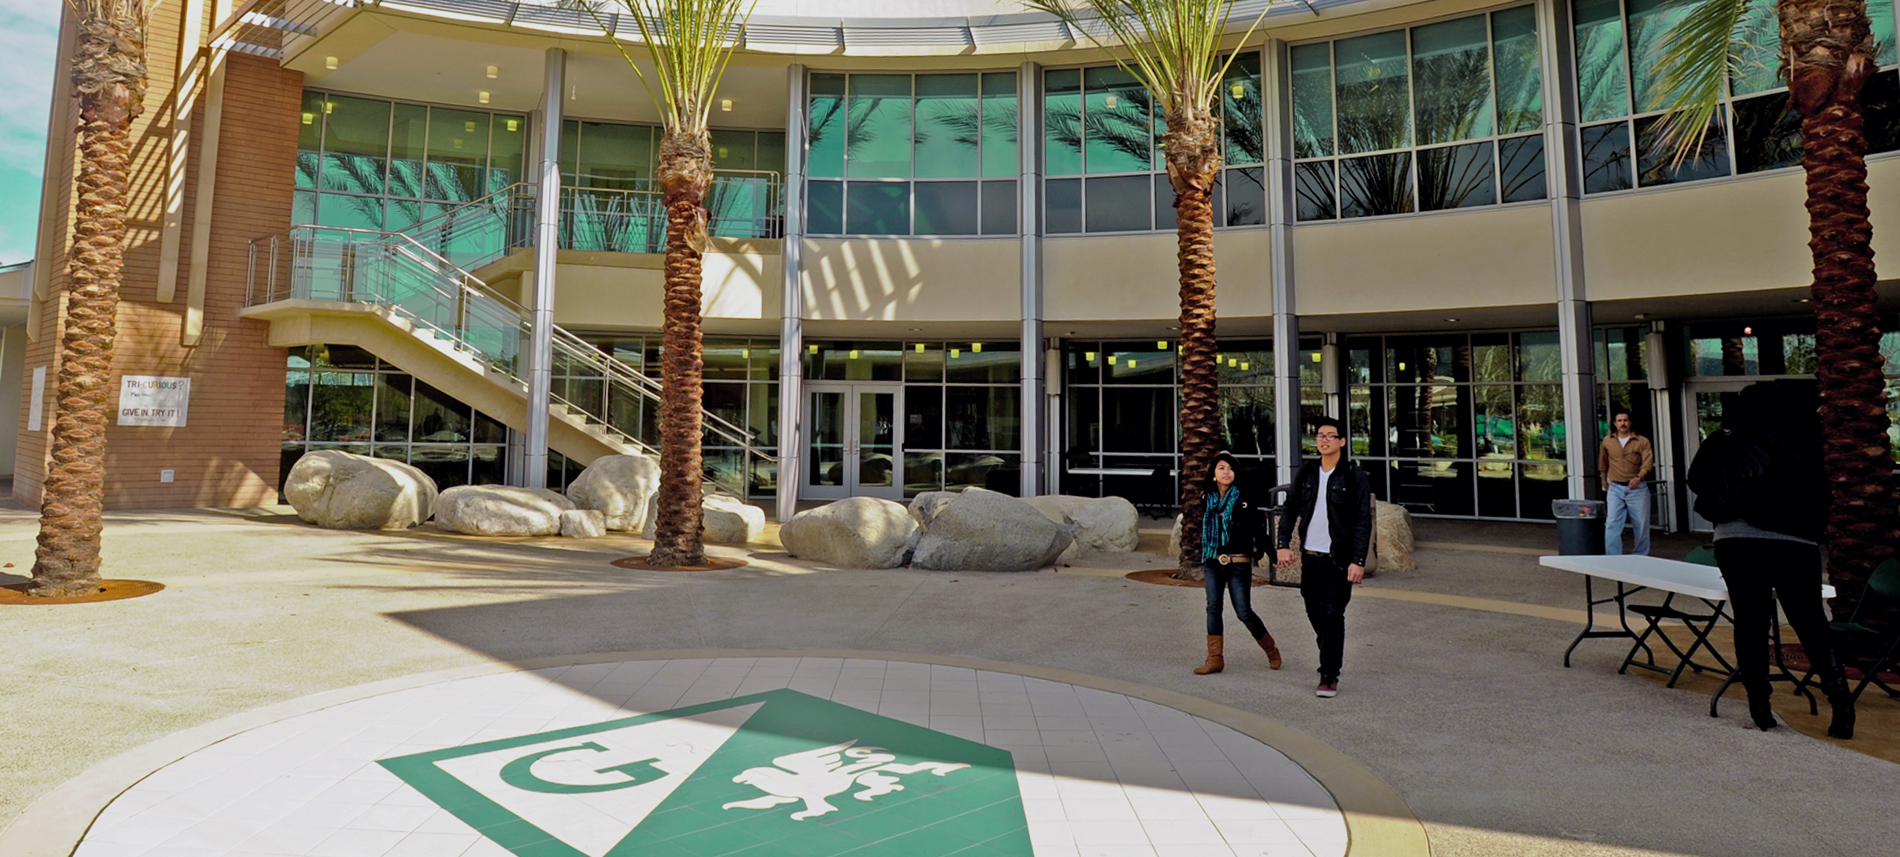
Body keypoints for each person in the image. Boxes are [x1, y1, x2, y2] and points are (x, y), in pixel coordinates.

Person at [1686, 379, 1854, 738]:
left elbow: (1699, 481)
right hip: (1794, 544)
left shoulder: (1729, 439)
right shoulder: (1805, 442)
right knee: (1810, 622)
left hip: (1736, 540)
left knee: (1750, 623)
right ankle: (1841, 704)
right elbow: (1822, 495)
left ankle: (1760, 706)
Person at [1276, 417, 1373, 698]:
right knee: (1312, 609)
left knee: (1332, 613)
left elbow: (1362, 521)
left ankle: (1328, 674)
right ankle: (1330, 644)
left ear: (1342, 441)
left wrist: (1358, 560)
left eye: (1331, 436)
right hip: (1311, 557)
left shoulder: (1355, 477)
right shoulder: (1307, 473)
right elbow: (1290, 507)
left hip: (1339, 560)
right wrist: (1283, 544)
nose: (1324, 440)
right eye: (1320, 435)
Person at [1192, 451, 1283, 676]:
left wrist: (1274, 555)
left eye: (1230, 468)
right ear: (1213, 474)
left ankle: (1270, 648)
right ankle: (1215, 659)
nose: (1226, 472)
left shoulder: (1244, 499)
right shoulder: (1206, 499)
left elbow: (1258, 530)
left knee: (1243, 611)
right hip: (1214, 560)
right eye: (1221, 468)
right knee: (1213, 607)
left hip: (1238, 563)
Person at [1599, 409, 1655, 555]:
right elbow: (1603, 462)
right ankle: (1613, 557)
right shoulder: (1607, 441)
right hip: (1615, 487)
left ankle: (1640, 556)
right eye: (1619, 421)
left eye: (1625, 420)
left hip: (1637, 488)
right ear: (1615, 424)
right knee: (1612, 524)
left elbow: (1648, 463)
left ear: (1630, 423)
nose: (1622, 423)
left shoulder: (1642, 441)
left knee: (1641, 524)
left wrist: (1639, 477)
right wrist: (1604, 479)